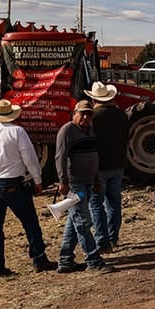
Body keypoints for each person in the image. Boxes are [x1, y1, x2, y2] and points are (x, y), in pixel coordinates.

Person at [0, 99, 56, 278]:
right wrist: (38, 179)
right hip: (12, 183)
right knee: (30, 222)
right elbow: (29, 158)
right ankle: (39, 258)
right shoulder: (17, 132)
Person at [55, 100, 115, 274]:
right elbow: (60, 157)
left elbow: (94, 155)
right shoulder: (67, 130)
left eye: (89, 114)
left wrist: (96, 180)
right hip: (75, 183)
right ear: (75, 113)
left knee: (73, 222)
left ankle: (65, 260)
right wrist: (63, 181)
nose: (86, 117)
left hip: (88, 182)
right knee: (82, 222)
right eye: (83, 113)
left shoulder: (90, 130)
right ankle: (93, 260)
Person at [85, 81, 130, 253]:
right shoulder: (121, 115)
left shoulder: (93, 117)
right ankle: (113, 237)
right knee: (114, 203)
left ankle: (102, 241)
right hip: (117, 164)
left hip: (99, 166)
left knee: (96, 204)